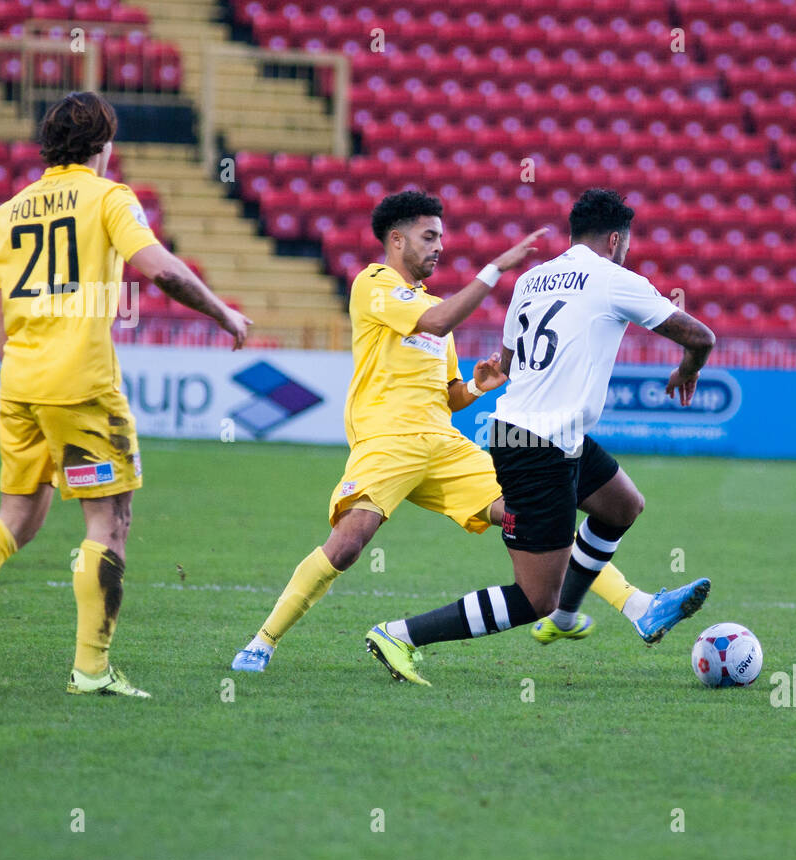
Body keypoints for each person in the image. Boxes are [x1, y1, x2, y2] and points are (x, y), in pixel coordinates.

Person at [231, 191, 709, 674]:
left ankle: (634, 605)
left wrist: (476, 387)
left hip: (444, 445)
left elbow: (449, 393)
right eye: (429, 236)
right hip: (387, 442)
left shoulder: (436, 306)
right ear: (395, 240)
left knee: (542, 521)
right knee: (348, 544)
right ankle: (262, 642)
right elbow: (438, 320)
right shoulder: (372, 284)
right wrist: (494, 269)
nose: (440, 246)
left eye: (441, 236)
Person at [0, 91, 252, 697]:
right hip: (80, 385)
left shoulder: (8, 213)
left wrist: (27, 376)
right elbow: (160, 269)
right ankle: (91, 669)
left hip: (20, 384)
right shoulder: (109, 197)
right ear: (104, 145)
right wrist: (223, 314)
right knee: (109, 520)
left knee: (16, 518)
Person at [364, 189, 716, 686]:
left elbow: (506, 362)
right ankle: (399, 633)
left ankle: (594, 616)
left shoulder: (531, 280)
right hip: (537, 446)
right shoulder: (615, 278)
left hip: (544, 434)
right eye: (628, 244)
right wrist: (688, 367)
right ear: (615, 240)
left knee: (622, 506)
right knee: (533, 598)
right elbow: (701, 336)